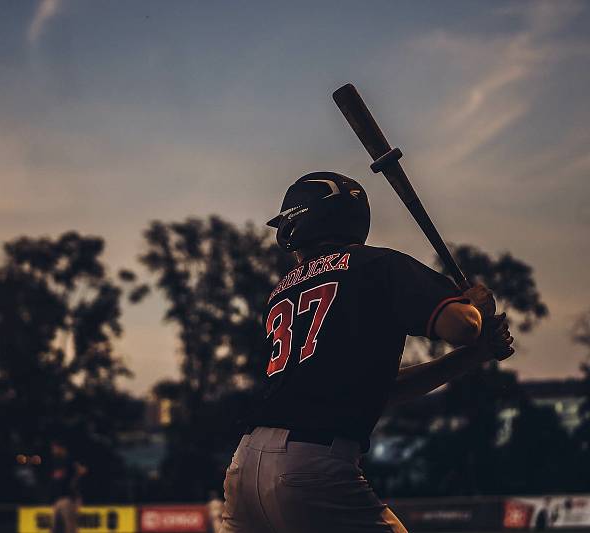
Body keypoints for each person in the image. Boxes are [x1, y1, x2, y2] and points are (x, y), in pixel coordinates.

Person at [220, 172, 514, 533]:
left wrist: (475, 356)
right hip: (313, 464)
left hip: (244, 465)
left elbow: (378, 392)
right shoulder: (378, 264)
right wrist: (473, 308)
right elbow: (462, 326)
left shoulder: (280, 293)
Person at [48, 439, 88, 533]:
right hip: (58, 500)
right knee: (55, 528)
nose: (53, 451)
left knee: (70, 528)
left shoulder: (70, 461)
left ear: (61, 448)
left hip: (68, 500)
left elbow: (80, 474)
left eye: (55, 448)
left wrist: (78, 498)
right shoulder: (57, 462)